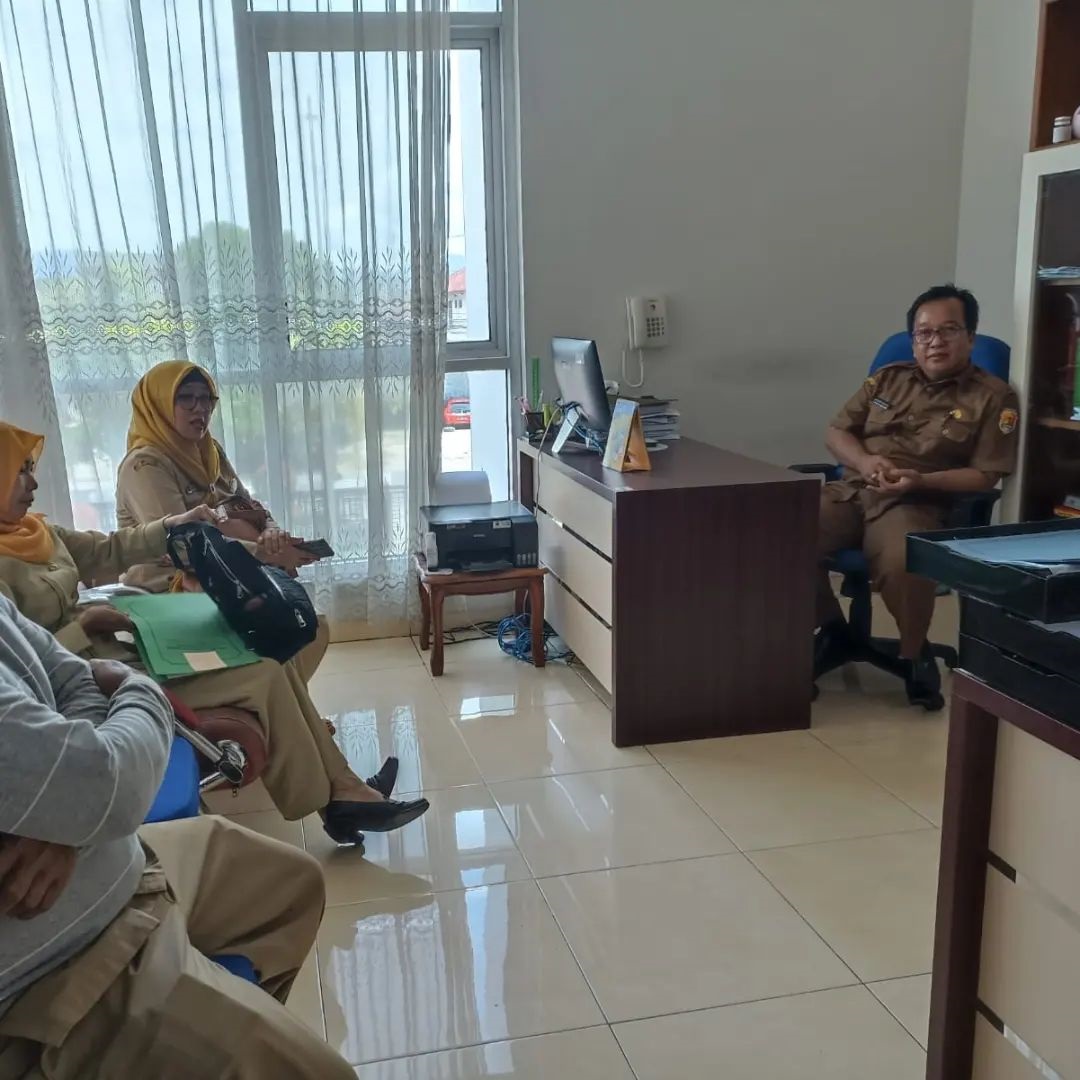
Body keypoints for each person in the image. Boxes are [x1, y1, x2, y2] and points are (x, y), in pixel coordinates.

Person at [0, 421, 427, 844]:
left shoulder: (36, 531)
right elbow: (19, 668)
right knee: (263, 670)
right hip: (98, 675)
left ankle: (344, 789)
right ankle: (340, 798)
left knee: (271, 650)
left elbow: (111, 548)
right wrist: (83, 627)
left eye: (30, 468)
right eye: (19, 472)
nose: (32, 483)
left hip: (131, 639)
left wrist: (176, 523)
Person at [0, 593, 355, 1079]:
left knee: (292, 884)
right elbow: (107, 782)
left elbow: (75, 682)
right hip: (49, 974)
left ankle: (223, 1036)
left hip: (108, 865)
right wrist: (139, 690)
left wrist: (69, 814)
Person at [816, 284, 1019, 705]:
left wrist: (919, 481)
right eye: (924, 333)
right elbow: (836, 432)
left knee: (901, 559)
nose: (935, 341)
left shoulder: (994, 397)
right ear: (913, 341)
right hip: (853, 489)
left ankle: (913, 652)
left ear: (970, 338)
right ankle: (832, 627)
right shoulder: (887, 378)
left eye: (948, 330)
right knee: (774, 535)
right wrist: (866, 462)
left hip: (916, 501)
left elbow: (985, 476)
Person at [114, 360, 330, 685]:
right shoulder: (145, 466)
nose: (200, 408)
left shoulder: (209, 450)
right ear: (158, 405)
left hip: (228, 575)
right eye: (186, 398)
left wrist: (272, 534)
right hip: (168, 587)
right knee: (277, 640)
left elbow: (248, 504)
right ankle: (278, 708)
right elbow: (182, 548)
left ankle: (285, 705)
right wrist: (263, 554)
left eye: (206, 399)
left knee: (309, 627)